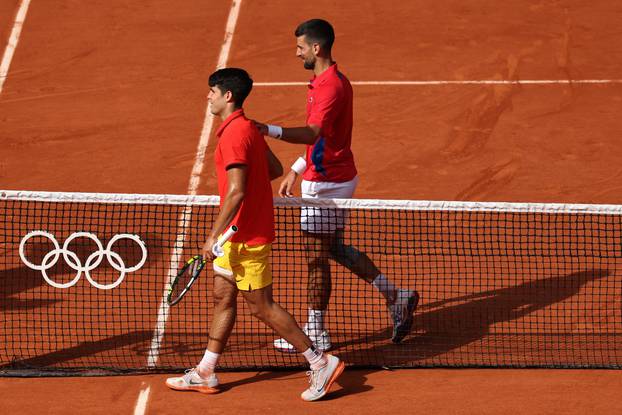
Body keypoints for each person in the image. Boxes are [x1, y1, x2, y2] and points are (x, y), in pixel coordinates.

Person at [165, 68, 344, 401]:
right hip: (236, 236)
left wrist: (211, 236)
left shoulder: (234, 135)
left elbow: (236, 191)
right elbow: (273, 170)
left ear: (227, 96)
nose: (208, 96)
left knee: (262, 307)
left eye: (212, 91)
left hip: (247, 239)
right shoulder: (247, 128)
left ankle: (321, 362)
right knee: (223, 296)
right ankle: (206, 371)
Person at [255, 19, 419, 352]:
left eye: (300, 46)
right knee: (334, 248)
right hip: (331, 174)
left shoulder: (329, 87)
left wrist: (267, 130)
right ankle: (396, 295)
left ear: (317, 48)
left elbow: (314, 133)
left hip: (326, 185)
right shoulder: (329, 81)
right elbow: (325, 138)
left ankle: (317, 331)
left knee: (316, 258)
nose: (296, 51)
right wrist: (298, 167)